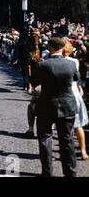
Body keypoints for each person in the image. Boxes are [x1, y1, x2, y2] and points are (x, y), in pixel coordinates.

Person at [30, 38, 79, 177]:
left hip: (47, 104)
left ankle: (47, 172)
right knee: (67, 140)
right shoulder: (71, 64)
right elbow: (76, 78)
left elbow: (33, 81)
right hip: (67, 104)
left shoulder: (44, 65)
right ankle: (70, 172)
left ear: (50, 48)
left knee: (45, 139)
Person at [63, 42, 88, 161]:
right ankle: (83, 150)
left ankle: (67, 151)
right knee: (78, 126)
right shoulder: (75, 62)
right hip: (74, 93)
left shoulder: (51, 61)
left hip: (61, 93)